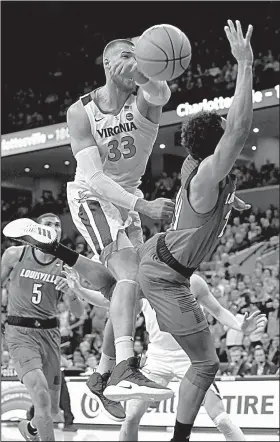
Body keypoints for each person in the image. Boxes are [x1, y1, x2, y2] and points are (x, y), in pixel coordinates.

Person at [134, 19, 254, 441]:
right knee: (205, 364)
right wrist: (244, 65)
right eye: (222, 133)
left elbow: (213, 186)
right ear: (215, 145)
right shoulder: (205, 174)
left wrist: (228, 202)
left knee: (203, 363)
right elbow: (238, 131)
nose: (229, 130)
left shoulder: (200, 170)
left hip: (165, 261)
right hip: (165, 273)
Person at [65, 32, 175, 403]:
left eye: (141, 56)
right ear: (108, 63)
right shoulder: (81, 110)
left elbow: (161, 94)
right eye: (128, 55)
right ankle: (126, 366)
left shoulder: (144, 98)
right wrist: (142, 206)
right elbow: (94, 179)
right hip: (91, 197)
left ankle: (102, 372)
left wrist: (146, 70)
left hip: (126, 201)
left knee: (131, 288)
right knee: (128, 273)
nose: (135, 60)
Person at [59, 266, 265, 441]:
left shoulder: (195, 283)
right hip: (157, 359)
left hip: (191, 359)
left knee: (221, 419)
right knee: (131, 417)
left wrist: (240, 326)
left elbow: (218, 311)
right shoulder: (145, 284)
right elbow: (112, 301)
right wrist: (79, 289)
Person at [1, 213, 84, 442]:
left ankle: (30, 429)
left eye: (57, 225)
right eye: (48, 224)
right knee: (41, 394)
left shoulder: (66, 265)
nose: (53, 227)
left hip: (50, 333)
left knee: (52, 410)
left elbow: (80, 314)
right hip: (20, 331)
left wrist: (71, 291)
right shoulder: (14, 255)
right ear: (35, 229)